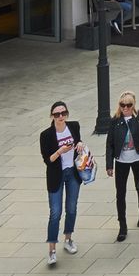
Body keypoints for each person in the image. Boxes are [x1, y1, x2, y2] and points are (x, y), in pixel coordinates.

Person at [104, 91, 139, 242]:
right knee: (120, 194)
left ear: (134, 104)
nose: (125, 107)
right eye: (122, 105)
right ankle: (123, 225)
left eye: (129, 105)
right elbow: (110, 144)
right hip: (121, 161)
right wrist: (109, 165)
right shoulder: (115, 120)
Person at [40, 100, 83, 266]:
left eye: (63, 113)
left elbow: (79, 141)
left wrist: (79, 143)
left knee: (71, 208)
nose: (60, 116)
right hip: (56, 175)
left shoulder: (74, 126)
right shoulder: (46, 135)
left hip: (72, 172)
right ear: (52, 116)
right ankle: (51, 249)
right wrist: (60, 151)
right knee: (55, 213)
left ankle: (68, 238)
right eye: (57, 114)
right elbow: (48, 160)